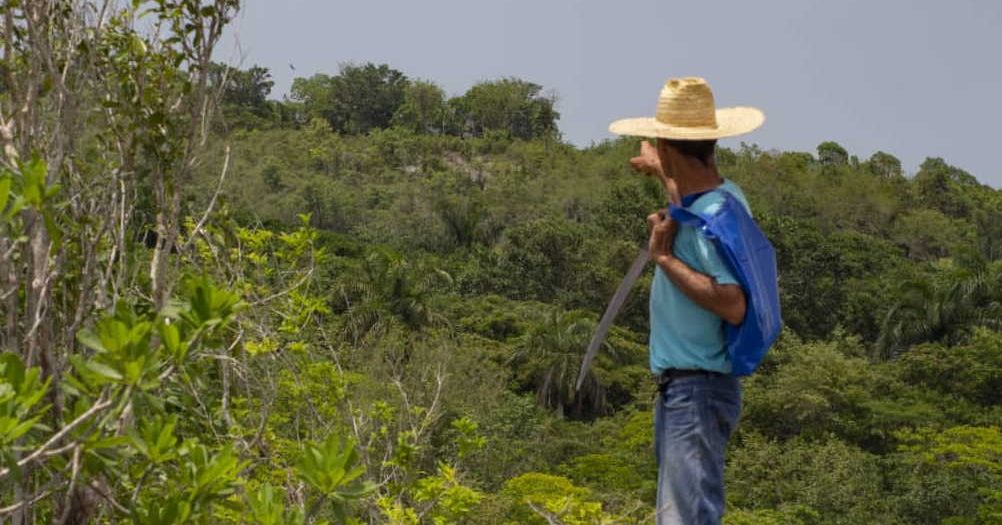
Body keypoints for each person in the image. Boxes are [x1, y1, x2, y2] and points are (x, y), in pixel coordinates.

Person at [608, 77, 766, 525]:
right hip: (688, 389)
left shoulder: (710, 217)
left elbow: (732, 303)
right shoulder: (721, 200)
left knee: (685, 518)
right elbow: (688, 199)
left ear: (669, 143)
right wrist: (661, 168)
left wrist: (661, 256)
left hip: (696, 389)